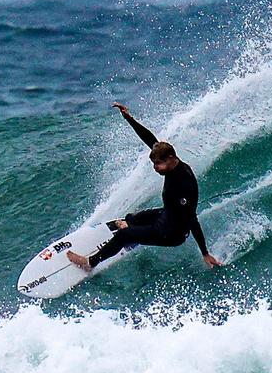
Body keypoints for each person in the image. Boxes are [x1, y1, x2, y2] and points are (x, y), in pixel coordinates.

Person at [68, 102, 221, 271]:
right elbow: (150, 140)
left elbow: (192, 219)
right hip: (166, 215)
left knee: (124, 235)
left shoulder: (183, 184)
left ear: (170, 158)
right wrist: (129, 118)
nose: (155, 168)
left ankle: (90, 263)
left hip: (172, 233)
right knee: (131, 218)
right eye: (154, 163)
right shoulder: (170, 162)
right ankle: (133, 229)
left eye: (158, 164)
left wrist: (205, 253)